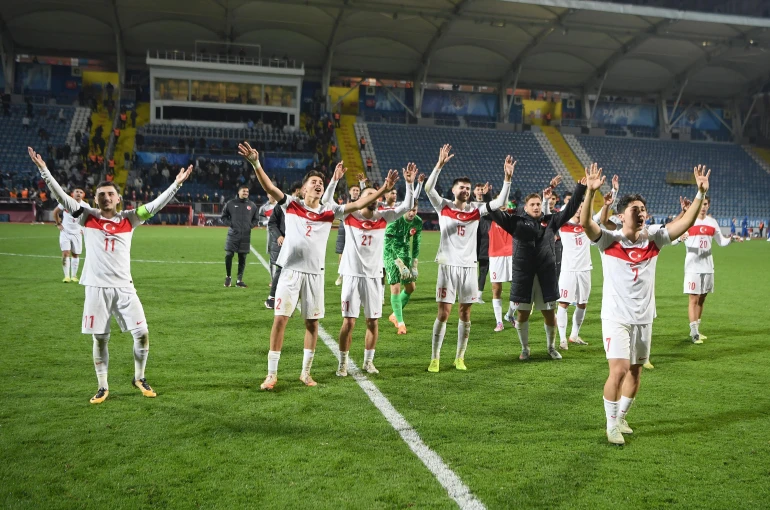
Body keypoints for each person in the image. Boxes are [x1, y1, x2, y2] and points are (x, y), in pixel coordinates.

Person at [28, 146, 193, 404]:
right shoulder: (86, 217)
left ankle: (139, 377)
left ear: (118, 199)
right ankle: (103, 386)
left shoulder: (130, 219)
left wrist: (176, 184)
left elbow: (155, 206)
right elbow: (61, 197)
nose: (106, 197)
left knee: (142, 333)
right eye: (102, 194)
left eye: (111, 194)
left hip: (125, 288)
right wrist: (44, 170)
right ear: (95, 200)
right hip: (96, 287)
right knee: (101, 338)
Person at [237, 142, 398, 391]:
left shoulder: (329, 211)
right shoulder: (291, 204)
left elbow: (356, 206)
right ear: (303, 188)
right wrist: (256, 163)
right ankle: (271, 374)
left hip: (314, 275)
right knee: (280, 320)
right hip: (290, 271)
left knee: (312, 324)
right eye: (313, 181)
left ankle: (305, 372)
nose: (318, 184)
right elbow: (269, 186)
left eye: (320, 183)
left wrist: (382, 190)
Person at [579, 163, 711, 445]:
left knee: (636, 371)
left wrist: (699, 194)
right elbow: (585, 224)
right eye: (634, 210)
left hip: (644, 317)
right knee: (619, 369)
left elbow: (684, 223)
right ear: (622, 215)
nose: (640, 213)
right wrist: (590, 192)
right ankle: (611, 424)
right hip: (616, 316)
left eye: (642, 210)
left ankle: (622, 416)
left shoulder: (655, 239)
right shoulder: (608, 241)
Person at [425, 144, 513, 372]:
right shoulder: (443, 206)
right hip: (447, 266)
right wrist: (439, 165)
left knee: (465, 313)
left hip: (468, 268)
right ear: (454, 190)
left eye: (468, 188)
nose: (465, 190)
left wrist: (507, 179)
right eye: (462, 187)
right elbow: (428, 188)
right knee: (443, 313)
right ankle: (435, 357)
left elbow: (500, 202)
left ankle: (459, 357)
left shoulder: (476, 209)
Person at [328, 163, 417, 376]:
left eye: (376, 196)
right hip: (351, 276)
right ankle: (342, 362)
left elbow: (407, 206)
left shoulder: (383, 217)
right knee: (349, 322)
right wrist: (334, 179)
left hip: (374, 277)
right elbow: (328, 204)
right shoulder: (350, 216)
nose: (374, 199)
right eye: (370, 195)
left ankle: (368, 362)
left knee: (372, 321)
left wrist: (410, 183)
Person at [674, 196, 731, 343]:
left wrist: (731, 238)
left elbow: (721, 242)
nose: (703, 207)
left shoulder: (712, 222)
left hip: (708, 266)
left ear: (709, 205)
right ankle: (694, 333)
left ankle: (697, 330)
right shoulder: (688, 221)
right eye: (701, 204)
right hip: (692, 267)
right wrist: (680, 239)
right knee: (693, 298)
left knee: (702, 298)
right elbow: (672, 239)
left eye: (706, 204)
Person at [385, 186, 424, 335]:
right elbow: (387, 245)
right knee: (395, 287)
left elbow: (417, 243)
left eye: (415, 210)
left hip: (405, 254)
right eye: (410, 210)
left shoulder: (418, 222)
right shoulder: (394, 220)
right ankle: (400, 323)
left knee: (410, 288)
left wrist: (414, 264)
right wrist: (399, 264)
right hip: (391, 255)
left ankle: (394, 314)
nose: (412, 213)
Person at [556, 200, 591, 349]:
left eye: (582, 207)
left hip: (584, 270)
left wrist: (613, 195)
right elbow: (548, 217)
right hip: (568, 270)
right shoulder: (563, 224)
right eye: (577, 207)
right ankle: (562, 338)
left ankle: (574, 335)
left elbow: (603, 214)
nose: (579, 210)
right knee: (564, 303)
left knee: (582, 304)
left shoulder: (588, 225)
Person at [264, 182, 303, 309]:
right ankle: (272, 297)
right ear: (297, 190)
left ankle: (291, 297)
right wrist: (279, 236)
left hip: (298, 245)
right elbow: (272, 223)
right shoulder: (282, 204)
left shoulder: (304, 205)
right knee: (281, 270)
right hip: (283, 244)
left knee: (297, 272)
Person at [221, 185, 259, 288]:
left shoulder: (252, 205)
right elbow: (223, 217)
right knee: (229, 254)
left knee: (242, 258)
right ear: (239, 192)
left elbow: (256, 219)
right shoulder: (230, 204)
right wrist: (231, 224)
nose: (246, 193)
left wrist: (250, 226)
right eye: (244, 191)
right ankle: (228, 276)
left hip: (245, 235)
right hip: (233, 234)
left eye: (247, 191)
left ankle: (239, 280)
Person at [488, 201, 513, 332]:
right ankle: (499, 322)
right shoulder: (489, 219)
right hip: (496, 256)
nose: (502, 205)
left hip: (512, 255)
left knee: (519, 287)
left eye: (505, 203)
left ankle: (510, 314)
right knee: (496, 289)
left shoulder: (513, 218)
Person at [53, 187, 85, 282]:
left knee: (75, 254)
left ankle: (74, 276)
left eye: (81, 192)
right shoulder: (66, 202)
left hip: (77, 233)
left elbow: (89, 218)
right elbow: (55, 212)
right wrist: (58, 223)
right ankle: (66, 276)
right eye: (77, 191)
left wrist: (84, 228)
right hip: (65, 232)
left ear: (83, 195)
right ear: (72, 194)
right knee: (66, 253)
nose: (78, 193)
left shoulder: (85, 206)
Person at [333, 183, 362, 286]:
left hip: (356, 228)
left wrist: (362, 184)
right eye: (353, 190)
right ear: (350, 192)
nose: (355, 192)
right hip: (343, 228)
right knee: (341, 253)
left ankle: (355, 273)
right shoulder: (344, 202)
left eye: (357, 190)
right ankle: (341, 274)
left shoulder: (362, 202)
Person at [473, 183, 491, 304]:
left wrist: (487, 195)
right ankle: (468, 293)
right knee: (470, 268)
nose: (480, 191)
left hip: (486, 240)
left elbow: (491, 208)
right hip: (472, 241)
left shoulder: (488, 204)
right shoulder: (470, 204)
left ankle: (479, 295)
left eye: (481, 190)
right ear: (474, 191)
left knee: (484, 269)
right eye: (478, 189)